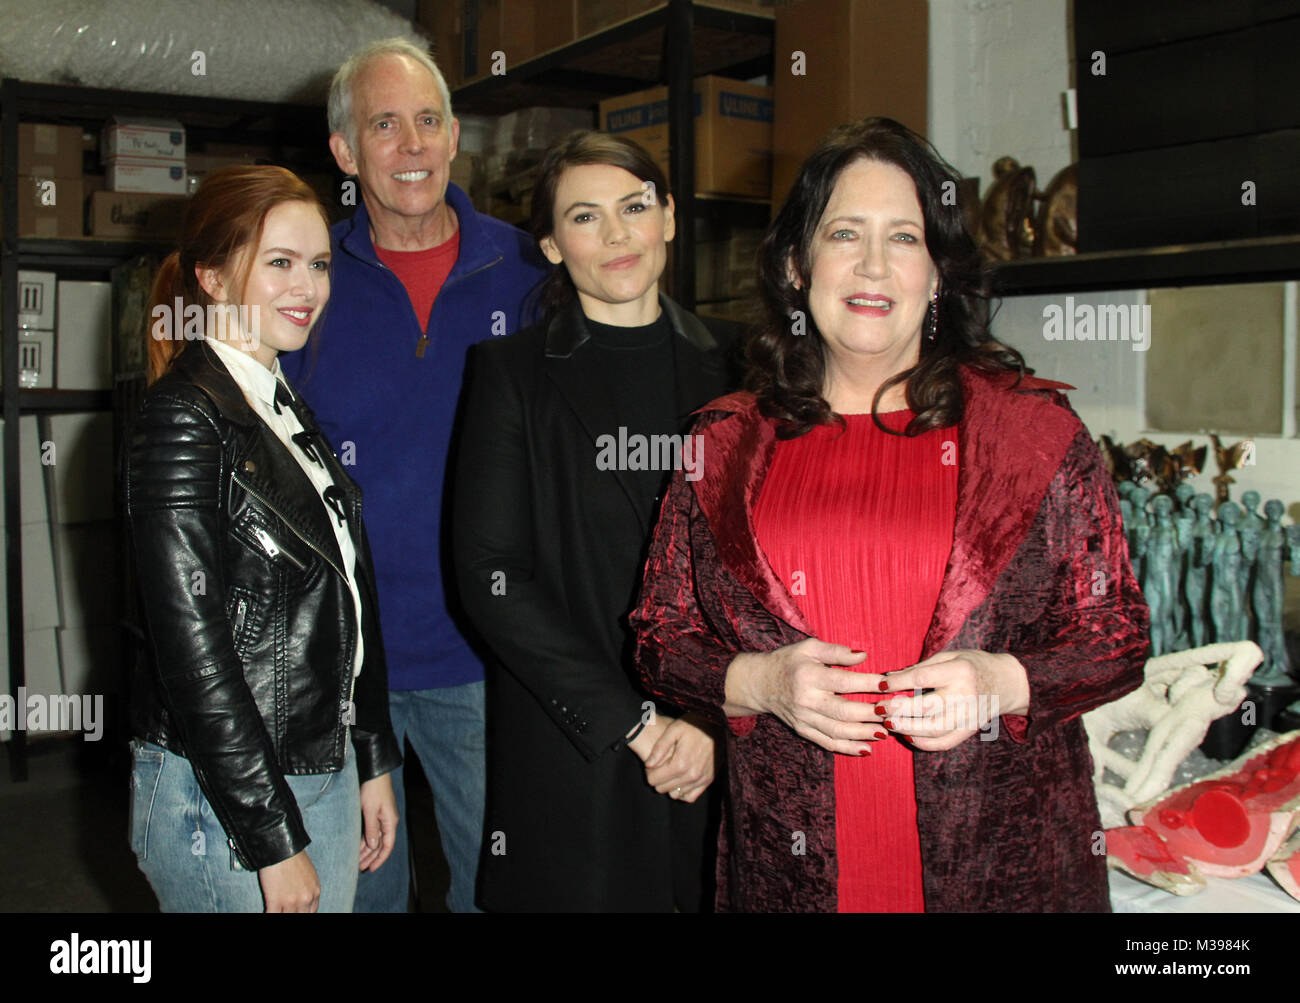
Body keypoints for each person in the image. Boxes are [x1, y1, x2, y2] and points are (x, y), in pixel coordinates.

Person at [631, 117, 1151, 912]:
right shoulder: (722, 447)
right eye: (846, 232)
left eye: (905, 237)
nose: (874, 264)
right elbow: (660, 637)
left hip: (1001, 865)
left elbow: (1115, 634)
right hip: (793, 868)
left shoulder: (1035, 437)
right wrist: (760, 680)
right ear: (799, 264)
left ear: (937, 273)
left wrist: (1000, 680)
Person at [278, 38, 549, 913]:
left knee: (495, 886)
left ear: (456, 135)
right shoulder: (308, 283)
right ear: (346, 153)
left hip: (485, 655)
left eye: (428, 121)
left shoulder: (529, 271)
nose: (412, 146)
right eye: (384, 126)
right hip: (348, 669)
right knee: (364, 898)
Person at [452, 131, 734, 911]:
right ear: (549, 243)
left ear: (668, 217)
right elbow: (491, 575)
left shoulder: (745, 367)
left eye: (634, 207)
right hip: (575, 745)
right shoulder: (510, 374)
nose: (616, 235)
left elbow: (768, 569)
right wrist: (637, 724)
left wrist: (712, 712)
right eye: (584, 216)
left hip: (719, 744)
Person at [126, 165, 401, 912]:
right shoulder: (186, 417)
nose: (306, 286)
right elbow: (192, 650)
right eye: (279, 262)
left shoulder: (278, 402)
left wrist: (371, 756)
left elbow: (351, 590)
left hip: (319, 760)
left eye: (317, 263)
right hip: (225, 793)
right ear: (212, 276)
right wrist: (271, 835)